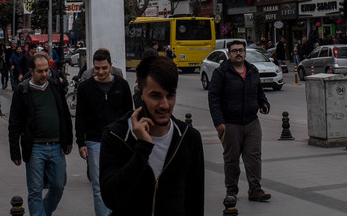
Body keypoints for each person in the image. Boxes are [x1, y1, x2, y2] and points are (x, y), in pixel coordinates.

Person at [99, 55, 204, 215]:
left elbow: (194, 202)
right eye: (155, 96)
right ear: (140, 94)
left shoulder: (188, 138)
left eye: (170, 96)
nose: (164, 105)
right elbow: (111, 198)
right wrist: (142, 149)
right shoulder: (117, 135)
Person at [9, 53, 73, 216]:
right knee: (35, 190)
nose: (44, 74)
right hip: (35, 147)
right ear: (32, 71)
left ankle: (44, 211)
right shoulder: (22, 91)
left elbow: (65, 114)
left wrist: (69, 140)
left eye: (47, 70)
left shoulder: (55, 86)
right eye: (40, 71)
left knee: (58, 185)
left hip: (57, 145)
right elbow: (14, 123)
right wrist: (15, 150)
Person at [208, 40, 271, 203]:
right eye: (235, 51)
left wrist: (264, 104)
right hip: (230, 123)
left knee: (253, 157)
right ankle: (231, 191)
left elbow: (259, 92)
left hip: (251, 122)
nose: (238, 53)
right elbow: (213, 98)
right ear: (229, 54)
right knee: (231, 159)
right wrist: (219, 121)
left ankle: (255, 189)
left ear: (245, 52)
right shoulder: (221, 72)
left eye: (241, 50)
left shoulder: (252, 70)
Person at [75, 48, 133, 216]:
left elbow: (129, 113)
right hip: (95, 142)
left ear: (111, 66)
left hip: (119, 142)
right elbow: (80, 117)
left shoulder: (122, 85)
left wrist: (130, 140)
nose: (100, 72)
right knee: (98, 186)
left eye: (104, 68)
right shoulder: (86, 88)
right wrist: (81, 142)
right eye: (97, 68)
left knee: (121, 182)